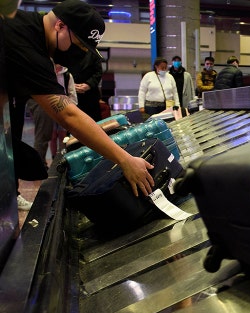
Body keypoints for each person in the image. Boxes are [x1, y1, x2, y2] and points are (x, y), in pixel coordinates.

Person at [3, 0, 155, 198]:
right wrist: (125, 160)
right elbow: (68, 115)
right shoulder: (25, 45)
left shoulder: (28, 32)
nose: (78, 55)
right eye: (79, 45)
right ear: (60, 26)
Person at [68, 45, 103, 122]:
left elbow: (98, 72)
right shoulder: (66, 50)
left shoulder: (93, 51)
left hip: (90, 96)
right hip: (71, 95)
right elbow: (62, 71)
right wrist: (70, 85)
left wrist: (88, 85)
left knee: (94, 123)